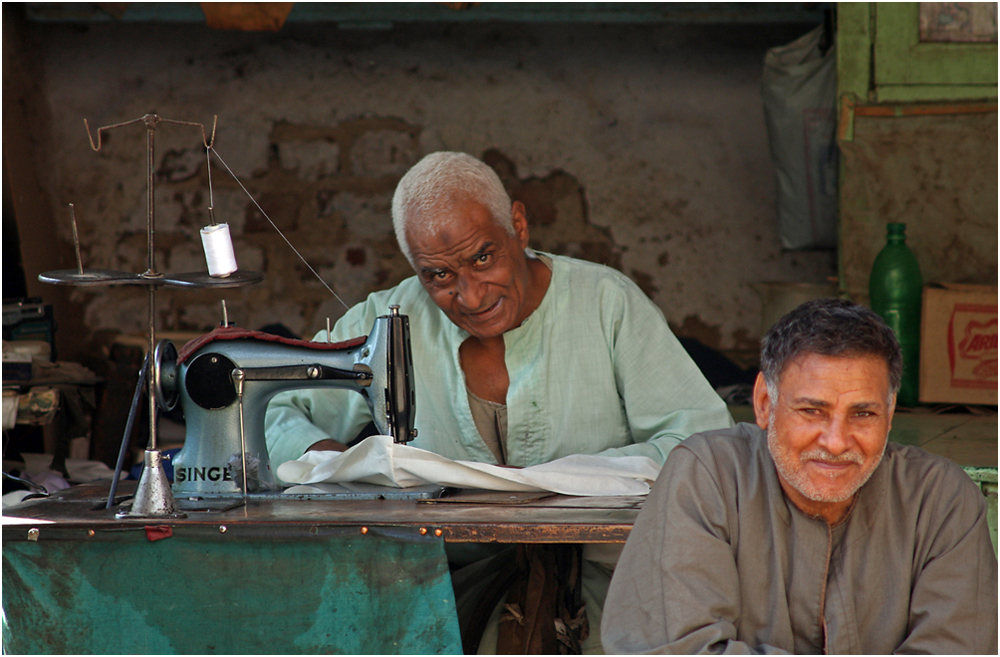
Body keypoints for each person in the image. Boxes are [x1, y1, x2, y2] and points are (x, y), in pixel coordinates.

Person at [265, 151, 733, 653]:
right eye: (438, 276)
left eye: (483, 258)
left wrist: (575, 478)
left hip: (611, 586)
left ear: (519, 225)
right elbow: (275, 408)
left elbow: (701, 443)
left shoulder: (606, 304)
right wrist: (329, 456)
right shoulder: (386, 319)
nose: (469, 296)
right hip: (448, 590)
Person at [602, 298, 998, 654]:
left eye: (863, 414)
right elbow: (675, 649)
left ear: (890, 414)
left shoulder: (940, 499)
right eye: (812, 411)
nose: (837, 442)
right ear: (763, 404)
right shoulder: (707, 476)